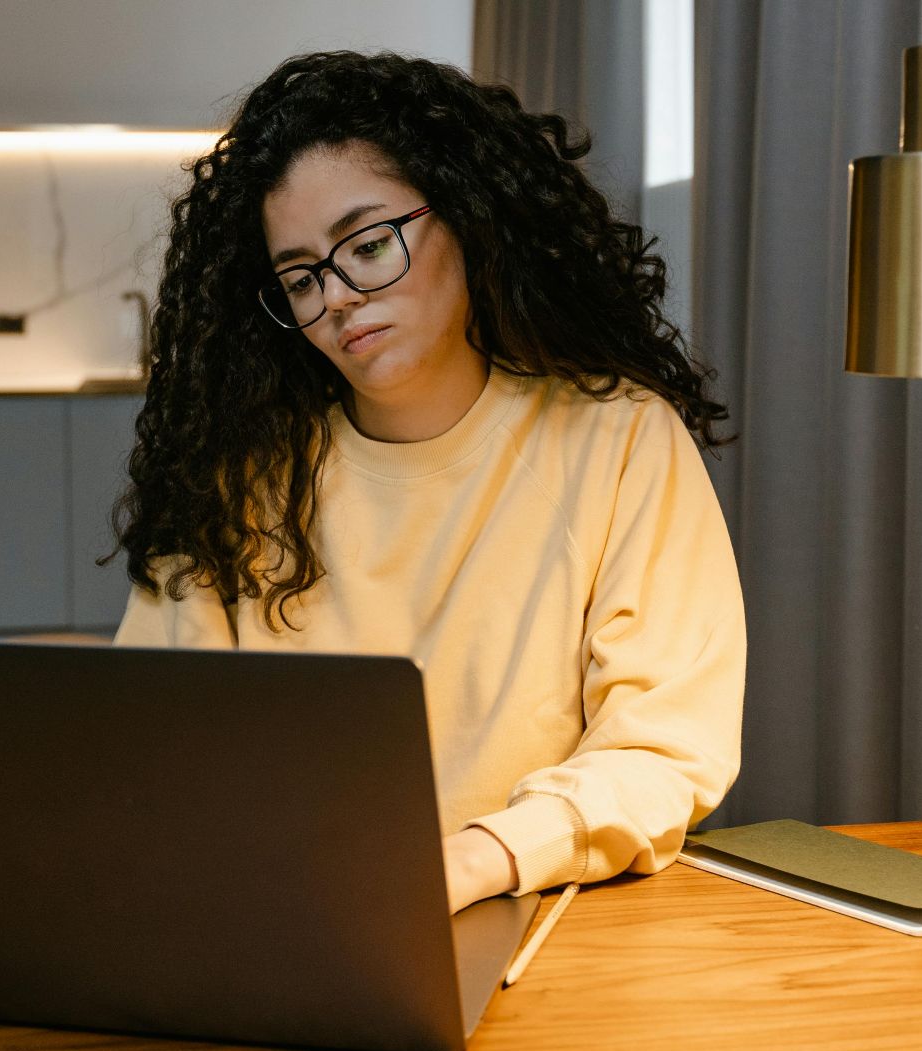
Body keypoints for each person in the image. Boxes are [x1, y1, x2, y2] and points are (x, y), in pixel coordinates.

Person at [107, 50, 746, 913]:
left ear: (472, 218)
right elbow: (148, 736)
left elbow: (666, 749)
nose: (335, 298)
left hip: (527, 907)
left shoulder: (618, 438)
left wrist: (472, 863)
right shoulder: (243, 472)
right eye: (299, 277)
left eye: (368, 246)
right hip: (276, 912)